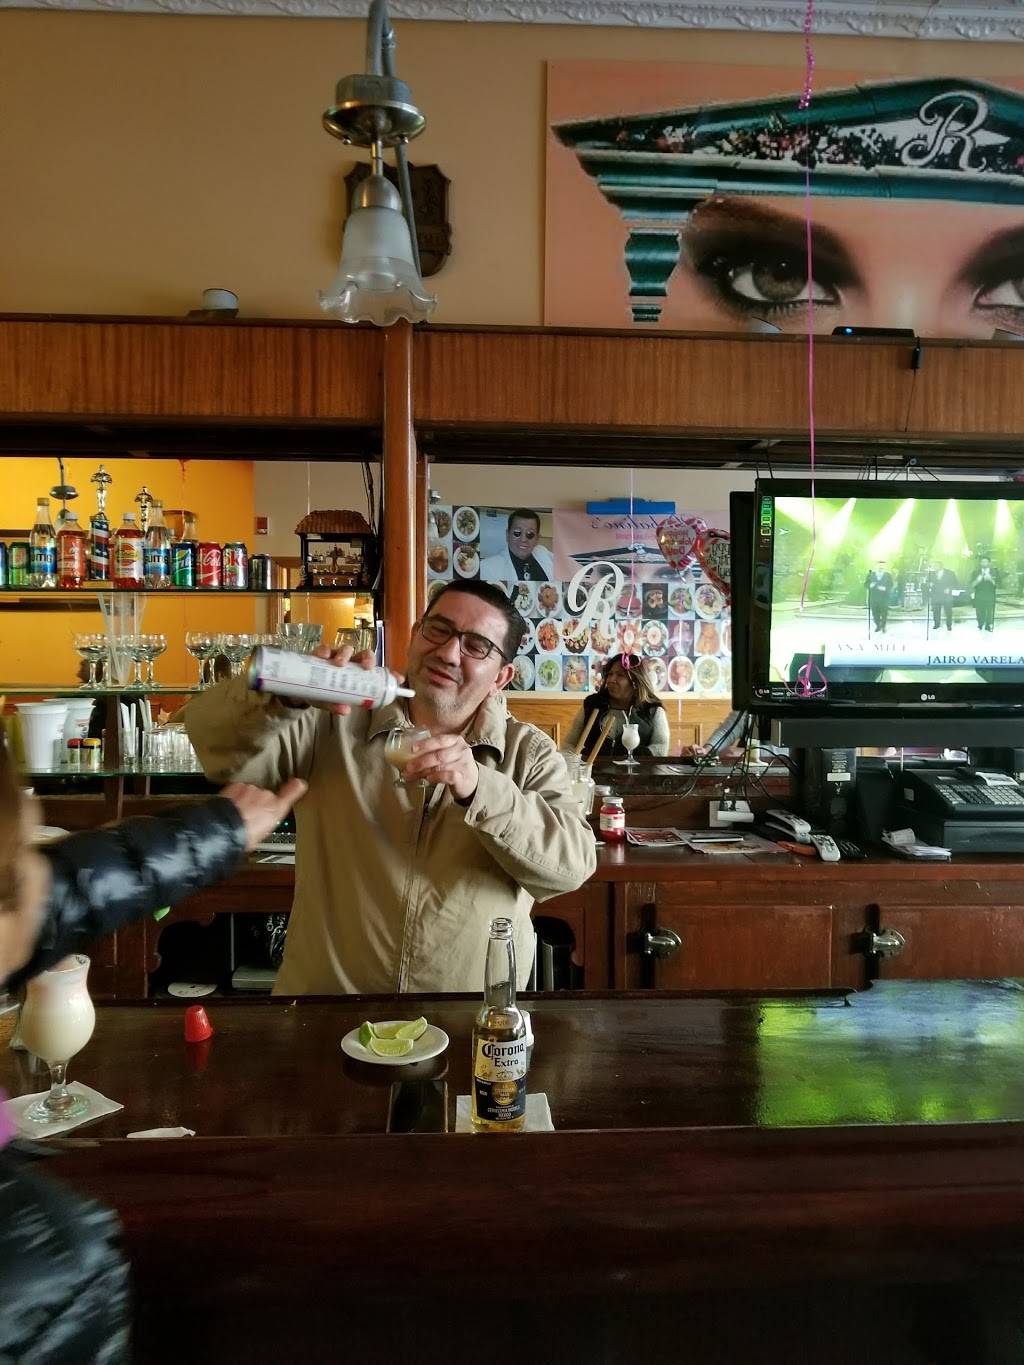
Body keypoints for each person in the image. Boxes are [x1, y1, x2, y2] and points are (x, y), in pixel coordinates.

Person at [0, 746, 306, 1364]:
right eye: (20, 855)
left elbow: (68, 890)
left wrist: (216, 832)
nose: (40, 872)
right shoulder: (46, 1267)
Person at [184, 580, 596, 996]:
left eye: (476, 646)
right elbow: (214, 747)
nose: (448, 653)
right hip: (325, 1009)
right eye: (438, 630)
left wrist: (479, 787)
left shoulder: (528, 753)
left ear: (501, 677)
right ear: (415, 635)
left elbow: (569, 868)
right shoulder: (332, 718)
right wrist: (282, 697)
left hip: (464, 1015)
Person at [563, 654, 670, 760]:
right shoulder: (592, 704)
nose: (611, 679)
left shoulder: (652, 710)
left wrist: (636, 757)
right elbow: (569, 743)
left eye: (620, 675)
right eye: (610, 674)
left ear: (636, 681)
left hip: (637, 770)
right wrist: (575, 763)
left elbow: (660, 747)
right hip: (592, 769)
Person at [480, 508, 555, 584]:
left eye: (530, 534)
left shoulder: (543, 553)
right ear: (507, 535)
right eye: (517, 532)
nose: (523, 539)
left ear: (537, 538)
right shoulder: (487, 567)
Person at [926, 562, 960, 632]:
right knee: (936, 611)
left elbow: (955, 584)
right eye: (934, 566)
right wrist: (929, 584)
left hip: (946, 595)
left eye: (936, 566)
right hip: (936, 595)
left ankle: (949, 625)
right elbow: (927, 583)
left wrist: (949, 589)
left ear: (941, 566)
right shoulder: (931, 574)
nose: (934, 567)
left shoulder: (950, 573)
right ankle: (936, 624)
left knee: (948, 611)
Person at [864, 562, 893, 634]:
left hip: (884, 597)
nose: (880, 567)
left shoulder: (888, 575)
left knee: (884, 613)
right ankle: (878, 625)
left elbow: (891, 584)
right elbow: (866, 584)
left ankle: (883, 626)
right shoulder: (870, 575)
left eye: (882, 566)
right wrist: (870, 585)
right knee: (875, 613)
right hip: (874, 597)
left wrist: (885, 588)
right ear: (876, 566)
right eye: (879, 566)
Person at [971, 556, 998, 632]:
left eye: (985, 562)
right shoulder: (975, 572)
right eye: (982, 562)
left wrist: (990, 579)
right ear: (980, 563)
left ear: (989, 563)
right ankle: (980, 623)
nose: (984, 563)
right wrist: (978, 580)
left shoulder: (994, 572)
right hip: (979, 595)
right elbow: (972, 584)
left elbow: (997, 585)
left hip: (990, 594)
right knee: (979, 611)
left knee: (989, 611)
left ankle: (988, 625)